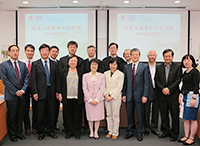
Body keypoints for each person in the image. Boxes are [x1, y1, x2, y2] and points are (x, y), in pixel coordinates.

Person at [1, 45, 29, 142]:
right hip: (11, 95)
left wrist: (23, 90)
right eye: (13, 50)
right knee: (12, 116)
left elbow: (26, 77)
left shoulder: (22, 64)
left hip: (22, 94)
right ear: (9, 52)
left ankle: (19, 133)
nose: (15, 52)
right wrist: (16, 91)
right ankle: (12, 134)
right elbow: (5, 80)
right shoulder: (4, 65)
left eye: (17, 50)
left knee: (20, 115)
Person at [31, 44, 59, 141]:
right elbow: (33, 80)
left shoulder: (55, 64)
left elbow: (57, 79)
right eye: (43, 51)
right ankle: (41, 132)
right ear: (40, 52)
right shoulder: (35, 64)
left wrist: (57, 92)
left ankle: (50, 131)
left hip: (52, 92)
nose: (45, 52)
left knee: (51, 112)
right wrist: (34, 92)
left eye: (46, 50)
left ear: (49, 52)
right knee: (40, 113)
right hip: (40, 92)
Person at [122, 48, 149, 141]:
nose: (134, 56)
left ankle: (140, 132)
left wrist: (145, 95)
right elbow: (125, 83)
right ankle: (130, 131)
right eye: (132, 54)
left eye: (136, 54)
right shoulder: (126, 67)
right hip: (129, 95)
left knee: (140, 115)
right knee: (129, 114)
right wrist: (124, 94)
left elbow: (146, 83)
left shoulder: (144, 67)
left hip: (140, 95)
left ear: (139, 56)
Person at [155, 49, 182, 142]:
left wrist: (169, 89)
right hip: (162, 95)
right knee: (164, 114)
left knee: (174, 115)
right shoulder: (158, 67)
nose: (167, 58)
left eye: (169, 56)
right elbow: (156, 80)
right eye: (166, 56)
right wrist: (163, 89)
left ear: (172, 57)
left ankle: (174, 133)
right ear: (163, 57)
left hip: (173, 95)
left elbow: (178, 80)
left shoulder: (177, 67)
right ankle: (165, 131)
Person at [57, 55, 84, 140]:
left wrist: (83, 95)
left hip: (77, 97)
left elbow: (83, 85)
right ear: (68, 62)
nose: (73, 62)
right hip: (67, 96)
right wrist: (60, 94)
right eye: (71, 61)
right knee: (67, 115)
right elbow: (60, 83)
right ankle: (68, 132)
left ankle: (77, 132)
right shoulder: (63, 71)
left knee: (77, 115)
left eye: (75, 61)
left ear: (77, 62)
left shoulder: (81, 72)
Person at [177, 54, 200, 145]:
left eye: (189, 60)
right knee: (186, 118)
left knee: (192, 118)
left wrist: (194, 98)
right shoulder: (185, 72)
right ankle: (186, 136)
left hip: (192, 96)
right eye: (185, 60)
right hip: (185, 95)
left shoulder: (195, 72)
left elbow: (196, 85)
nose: (186, 62)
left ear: (192, 62)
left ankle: (192, 137)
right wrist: (180, 94)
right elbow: (183, 85)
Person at [82, 58, 105, 140]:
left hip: (99, 100)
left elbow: (102, 88)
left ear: (98, 66)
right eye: (92, 64)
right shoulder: (85, 76)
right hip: (89, 100)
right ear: (90, 66)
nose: (94, 66)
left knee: (97, 117)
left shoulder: (102, 76)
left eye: (95, 64)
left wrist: (97, 99)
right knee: (90, 117)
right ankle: (91, 131)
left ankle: (96, 132)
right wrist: (90, 99)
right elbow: (85, 88)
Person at [81, 45, 102, 131]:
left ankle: (96, 131)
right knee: (88, 114)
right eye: (89, 50)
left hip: (98, 96)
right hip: (88, 94)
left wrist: (97, 98)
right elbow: (84, 86)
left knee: (97, 115)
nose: (91, 52)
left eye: (92, 50)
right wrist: (88, 97)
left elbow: (102, 86)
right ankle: (88, 127)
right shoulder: (83, 62)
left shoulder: (100, 63)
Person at [104, 58, 124, 140]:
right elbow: (103, 85)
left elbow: (120, 87)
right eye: (111, 64)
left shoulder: (121, 74)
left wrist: (111, 96)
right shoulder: (105, 73)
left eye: (115, 64)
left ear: (117, 65)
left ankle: (115, 132)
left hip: (115, 97)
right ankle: (110, 131)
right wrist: (105, 95)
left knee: (115, 115)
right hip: (106, 97)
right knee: (108, 115)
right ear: (109, 65)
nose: (113, 66)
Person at [21, 44, 37, 136]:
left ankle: (35, 127)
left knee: (36, 108)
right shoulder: (21, 62)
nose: (30, 52)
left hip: (35, 88)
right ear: (25, 51)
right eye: (28, 51)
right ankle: (27, 128)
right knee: (25, 109)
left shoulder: (36, 62)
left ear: (34, 52)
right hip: (24, 88)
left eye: (31, 51)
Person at [144, 50, 159, 136]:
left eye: (154, 55)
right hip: (147, 91)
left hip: (157, 91)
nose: (152, 56)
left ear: (156, 57)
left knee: (155, 110)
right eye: (150, 55)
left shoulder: (159, 67)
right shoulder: (144, 67)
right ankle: (146, 127)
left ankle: (154, 127)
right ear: (148, 57)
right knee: (146, 111)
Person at [49, 45, 60, 131]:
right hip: (45, 90)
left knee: (55, 109)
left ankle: (54, 124)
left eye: (56, 51)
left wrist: (58, 91)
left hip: (55, 90)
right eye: (53, 51)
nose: (54, 53)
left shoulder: (58, 63)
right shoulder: (44, 62)